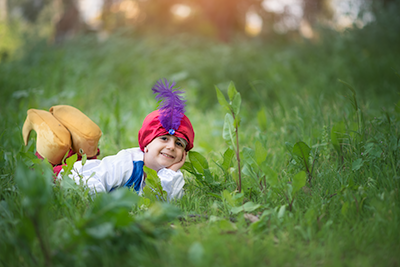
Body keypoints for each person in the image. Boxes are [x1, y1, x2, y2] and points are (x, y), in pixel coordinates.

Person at [22, 79, 195, 200]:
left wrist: (171, 172)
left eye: (179, 144)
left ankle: (75, 142)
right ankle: (45, 126)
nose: (171, 147)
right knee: (53, 149)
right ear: (146, 145)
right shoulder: (128, 164)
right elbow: (92, 184)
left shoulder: (171, 174)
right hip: (70, 178)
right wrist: (104, 205)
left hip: (88, 172)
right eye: (164, 138)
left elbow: (169, 201)